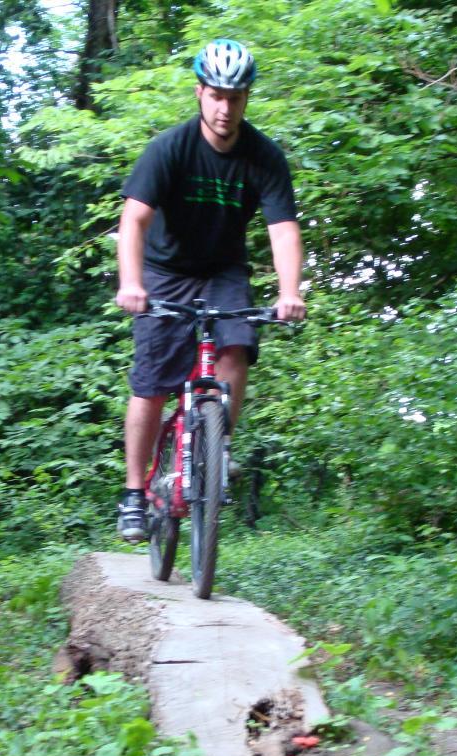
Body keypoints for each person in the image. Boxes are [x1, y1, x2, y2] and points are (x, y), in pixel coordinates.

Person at [113, 38, 306, 542]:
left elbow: (282, 229)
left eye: (235, 97)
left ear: (246, 99)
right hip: (165, 270)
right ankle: (134, 493)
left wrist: (291, 292)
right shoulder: (170, 148)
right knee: (152, 383)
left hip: (223, 270)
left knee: (235, 350)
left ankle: (216, 449)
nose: (225, 108)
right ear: (200, 93)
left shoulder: (263, 157)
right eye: (216, 95)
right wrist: (131, 283)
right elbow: (133, 221)